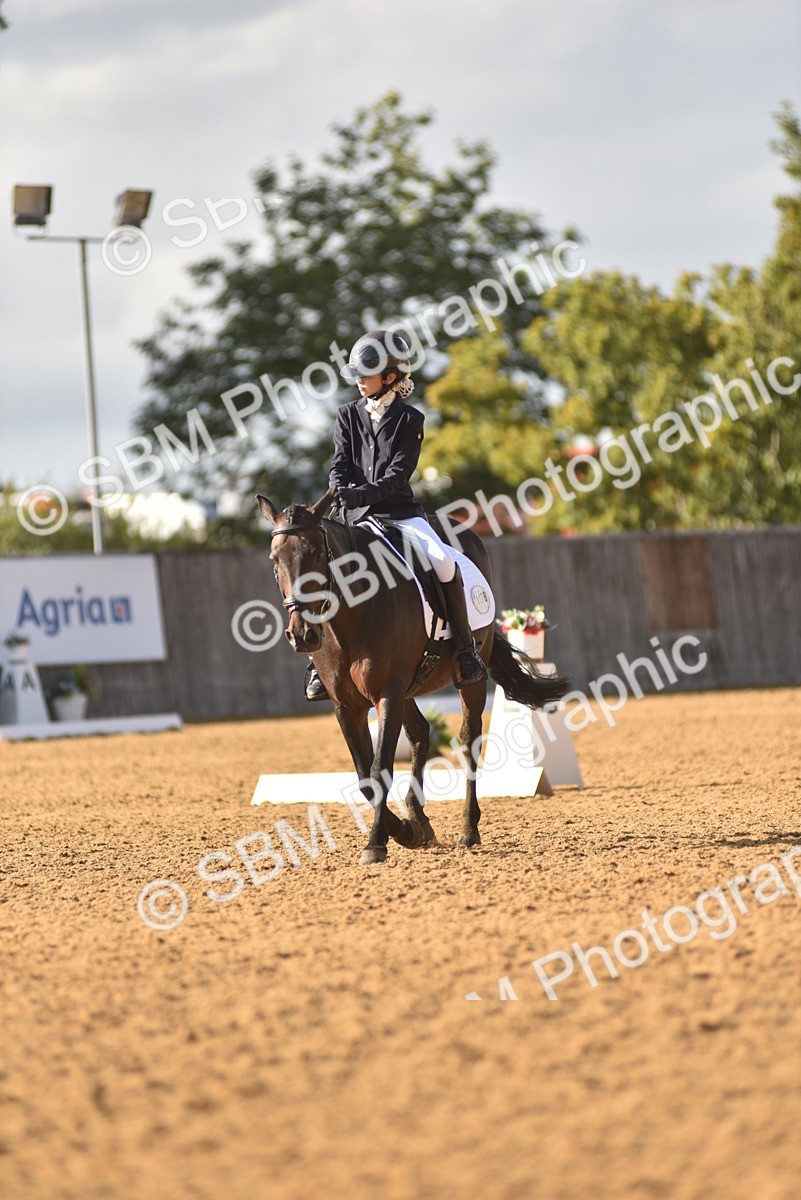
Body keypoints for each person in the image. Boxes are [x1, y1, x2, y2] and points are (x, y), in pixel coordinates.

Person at [305, 328, 488, 701]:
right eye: (355, 375)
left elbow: (398, 474)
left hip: (400, 515)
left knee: (443, 563)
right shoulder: (346, 416)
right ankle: (316, 663)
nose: (358, 381)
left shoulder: (410, 420)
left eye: (365, 375)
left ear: (389, 377)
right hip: (355, 517)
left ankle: (466, 652)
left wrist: (362, 493)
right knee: (320, 569)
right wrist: (342, 490)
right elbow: (339, 464)